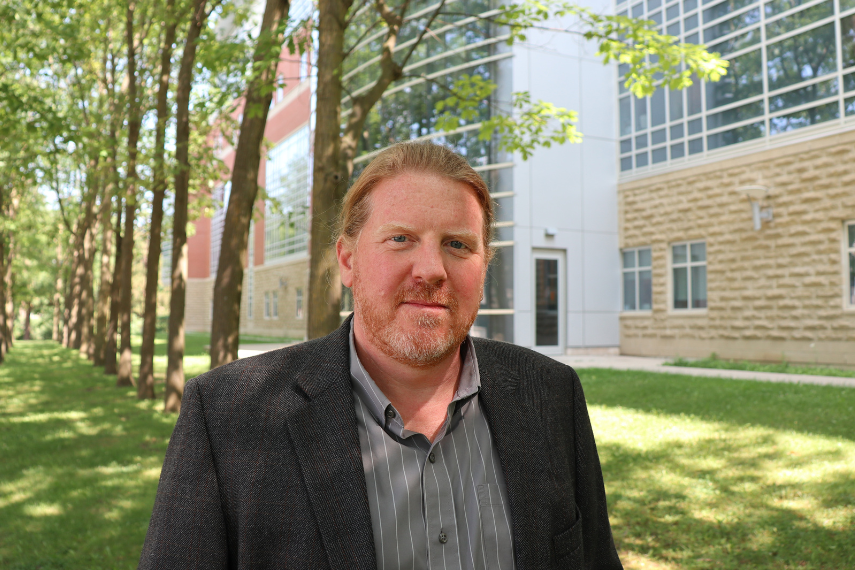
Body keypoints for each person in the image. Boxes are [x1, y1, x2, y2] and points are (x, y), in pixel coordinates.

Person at [139, 141, 623, 570]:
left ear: (484, 265)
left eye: (457, 244)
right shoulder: (228, 414)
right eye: (400, 239)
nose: (432, 270)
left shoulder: (551, 394)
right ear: (347, 260)